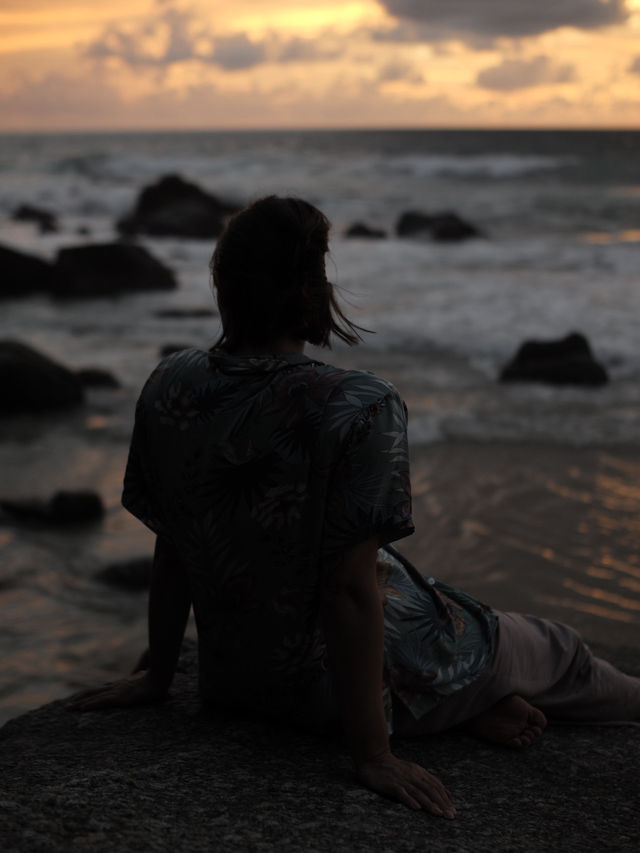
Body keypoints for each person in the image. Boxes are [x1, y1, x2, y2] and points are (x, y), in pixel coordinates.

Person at [68, 196, 640, 819]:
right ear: (311, 289)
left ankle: (472, 705)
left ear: (221, 284)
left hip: (234, 683)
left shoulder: (169, 384)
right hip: (333, 696)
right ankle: (470, 700)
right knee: (559, 650)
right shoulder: (357, 404)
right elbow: (347, 591)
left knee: (404, 585)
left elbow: (174, 536)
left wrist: (157, 678)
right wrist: (374, 754)